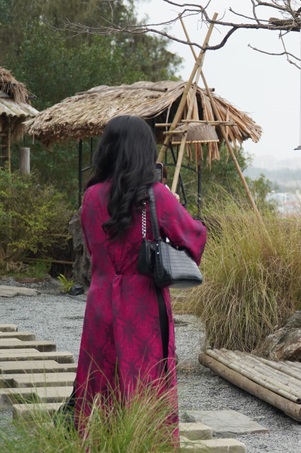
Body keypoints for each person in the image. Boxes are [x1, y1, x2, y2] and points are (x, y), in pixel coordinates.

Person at [72, 115, 207, 438]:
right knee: (146, 380)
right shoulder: (156, 195)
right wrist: (174, 206)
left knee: (99, 379)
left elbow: (91, 249)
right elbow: (193, 237)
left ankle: (97, 443)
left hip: (101, 301)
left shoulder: (90, 197)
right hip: (143, 302)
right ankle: (147, 444)